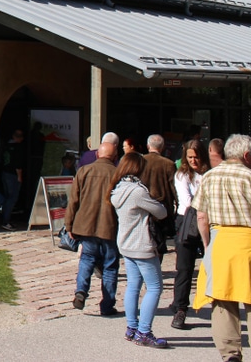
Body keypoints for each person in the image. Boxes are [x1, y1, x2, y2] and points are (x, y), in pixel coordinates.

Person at [192, 134, 251, 362]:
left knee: (222, 300)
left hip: (220, 242)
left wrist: (208, 245)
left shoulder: (208, 178)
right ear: (247, 155)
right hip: (249, 244)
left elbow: (201, 216)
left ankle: (230, 354)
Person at [109, 152, 169, 348]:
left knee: (133, 285)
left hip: (125, 243)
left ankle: (131, 327)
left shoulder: (117, 189)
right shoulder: (137, 191)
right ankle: (144, 331)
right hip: (141, 245)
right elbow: (161, 212)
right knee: (155, 287)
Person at [64, 140, 120, 316]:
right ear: (115, 156)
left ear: (97, 154)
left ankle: (81, 291)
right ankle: (107, 304)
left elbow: (73, 201)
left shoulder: (84, 171)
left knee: (87, 259)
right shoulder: (118, 174)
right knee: (110, 266)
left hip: (86, 225)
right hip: (110, 226)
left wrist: (69, 224)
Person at [169, 138, 208, 329]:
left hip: (208, 220)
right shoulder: (183, 175)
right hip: (188, 220)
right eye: (190, 157)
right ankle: (180, 308)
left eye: (196, 157)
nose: (193, 161)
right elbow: (187, 201)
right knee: (185, 268)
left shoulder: (209, 173)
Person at [142, 134, 177, 256]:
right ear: (162, 148)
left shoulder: (141, 161)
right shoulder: (169, 164)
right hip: (162, 207)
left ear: (148, 146)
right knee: (160, 242)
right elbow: (174, 188)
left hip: (142, 206)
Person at [0, 129, 26, 231]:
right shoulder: (18, 148)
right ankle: (6, 221)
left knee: (7, 197)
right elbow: (18, 164)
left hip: (5, 173)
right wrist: (20, 177)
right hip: (12, 175)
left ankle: (5, 218)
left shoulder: (7, 146)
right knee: (12, 198)